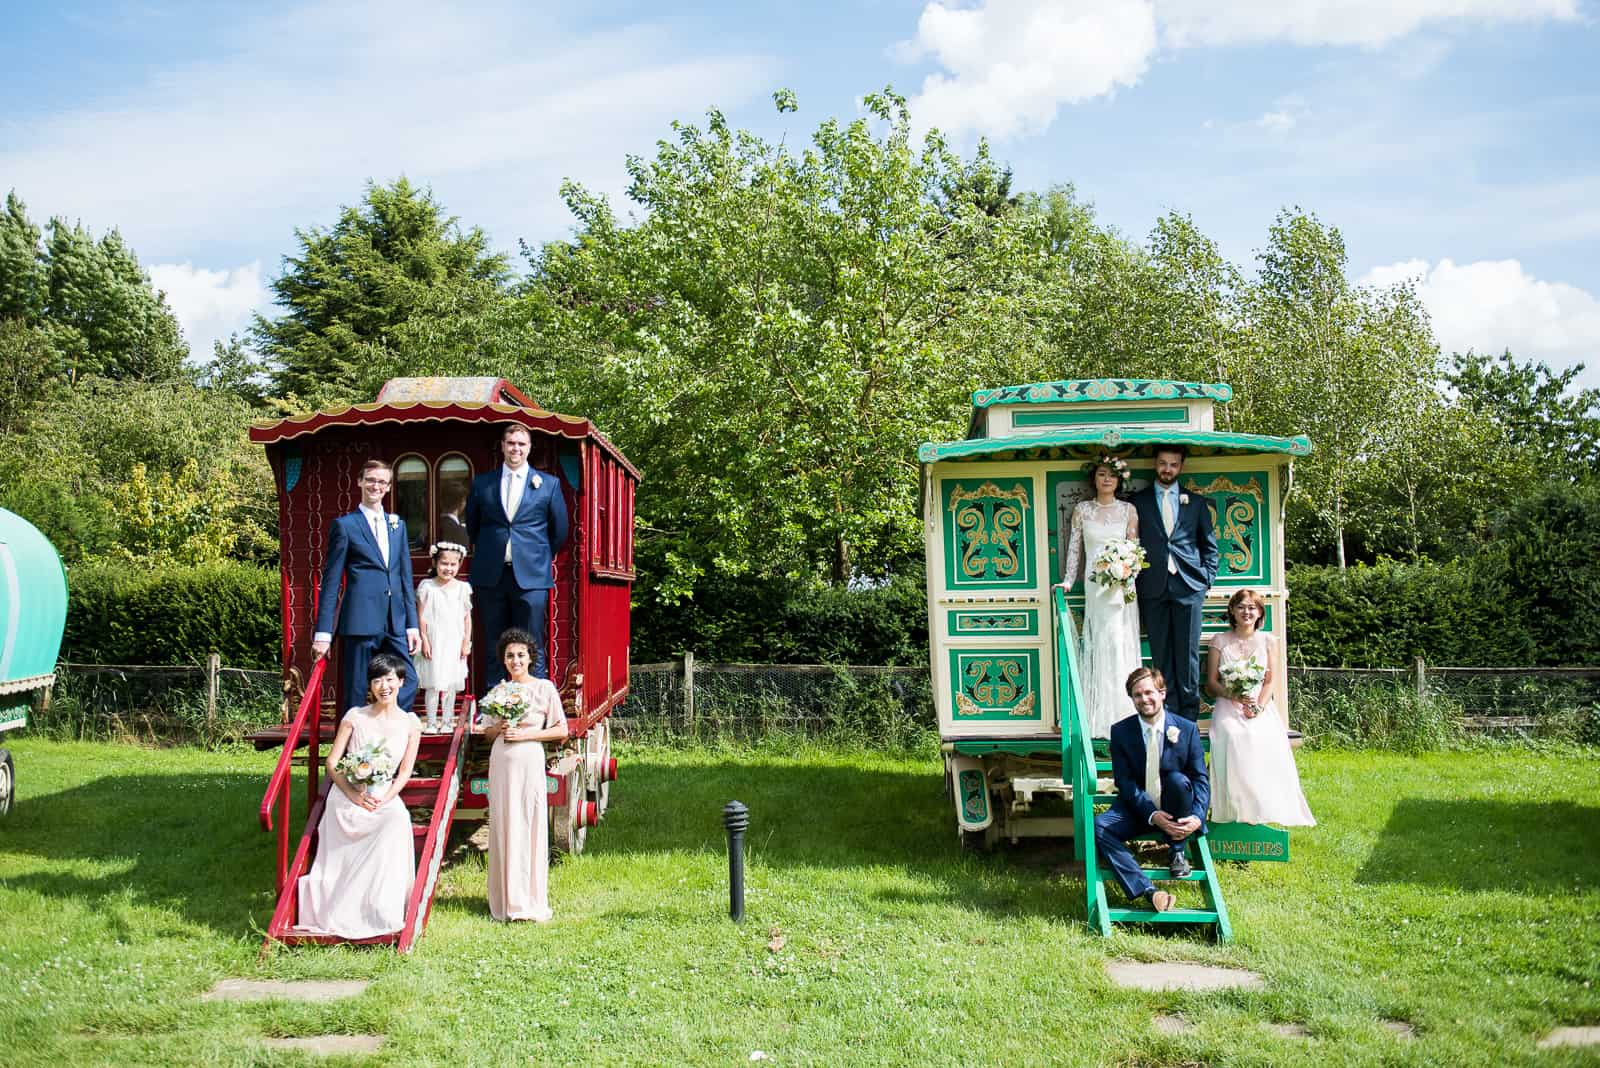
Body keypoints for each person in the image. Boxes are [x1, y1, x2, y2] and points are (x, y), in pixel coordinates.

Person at [296, 654, 423, 938]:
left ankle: (381, 907)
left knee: (396, 819)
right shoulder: (355, 717)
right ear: (370, 686)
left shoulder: (410, 723)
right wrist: (353, 794)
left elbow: (404, 771)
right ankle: (340, 905)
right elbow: (332, 763)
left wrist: (386, 798)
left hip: (383, 795)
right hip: (348, 795)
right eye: (377, 680)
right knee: (350, 816)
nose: (383, 686)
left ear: (401, 682)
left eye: (389, 679)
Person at [1094, 667, 1211, 913]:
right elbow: (1125, 782)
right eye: (1137, 695)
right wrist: (1152, 814)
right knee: (1099, 826)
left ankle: (1177, 851)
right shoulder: (1121, 731)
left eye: (1149, 692)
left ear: (1162, 693)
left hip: (1176, 809)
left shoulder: (1187, 729)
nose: (1144, 699)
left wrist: (1198, 817)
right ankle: (1149, 891)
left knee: (1178, 780)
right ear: (1132, 698)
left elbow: (1200, 778)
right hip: (1138, 809)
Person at [311, 460, 421, 711]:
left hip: (395, 621)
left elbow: (405, 577)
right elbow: (331, 583)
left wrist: (412, 624)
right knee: (356, 690)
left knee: (409, 681)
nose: (376, 486)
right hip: (360, 620)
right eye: (371, 480)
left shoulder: (398, 525)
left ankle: (388, 727)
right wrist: (323, 634)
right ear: (360, 481)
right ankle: (353, 736)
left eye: (382, 482)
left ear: (389, 487)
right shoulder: (345, 525)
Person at [466, 424, 569, 685]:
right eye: (511, 443)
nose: (516, 448)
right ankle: (494, 700)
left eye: (521, 444)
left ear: (529, 448)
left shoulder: (548, 485)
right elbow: (473, 527)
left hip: (531, 577)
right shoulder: (482, 483)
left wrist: (536, 557)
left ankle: (534, 701)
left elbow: (559, 531)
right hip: (491, 575)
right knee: (494, 642)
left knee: (531, 642)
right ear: (502, 446)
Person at [1204, 589, 1316, 826]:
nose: (1246, 612)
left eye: (1252, 608)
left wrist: (1258, 707)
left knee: (1260, 736)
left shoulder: (1268, 641)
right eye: (1241, 607)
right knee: (1232, 735)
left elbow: (1270, 681)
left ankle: (1259, 807)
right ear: (1232, 611)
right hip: (1228, 703)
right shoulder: (1219, 641)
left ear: (1260, 613)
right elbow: (1211, 684)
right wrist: (1233, 695)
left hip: (1259, 703)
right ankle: (1234, 806)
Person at [485, 628, 569, 923]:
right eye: (510, 655)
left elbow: (561, 730)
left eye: (521, 655)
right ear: (503, 660)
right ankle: (505, 900)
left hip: (529, 760)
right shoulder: (499, 691)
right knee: (504, 822)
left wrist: (527, 734)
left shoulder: (544, 688)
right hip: (502, 762)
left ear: (530, 658)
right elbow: (487, 732)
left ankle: (529, 899)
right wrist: (500, 727)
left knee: (528, 820)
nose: (515, 660)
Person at [1131, 445, 1218, 721]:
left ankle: (1189, 719)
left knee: (1188, 655)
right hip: (1152, 588)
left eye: (1173, 464)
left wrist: (1206, 580)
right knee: (1161, 655)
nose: (1167, 469)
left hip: (1189, 587)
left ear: (1181, 467)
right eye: (1163, 463)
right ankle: (1166, 716)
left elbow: (1209, 547)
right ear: (1155, 464)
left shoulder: (1196, 503)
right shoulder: (1138, 502)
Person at [1057, 455, 1142, 737]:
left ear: (1119, 480)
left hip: (1120, 588)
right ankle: (1097, 715)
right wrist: (1068, 580)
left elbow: (1135, 550)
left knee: (1118, 643)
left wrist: (1127, 575)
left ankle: (1124, 712)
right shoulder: (1082, 510)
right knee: (1100, 642)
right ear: (1094, 478)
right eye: (1102, 474)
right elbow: (1074, 549)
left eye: (1112, 475)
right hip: (1095, 587)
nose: (1107, 479)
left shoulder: (1128, 510)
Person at [416, 541, 473, 733]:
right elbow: (421, 616)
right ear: (435, 563)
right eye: (444, 563)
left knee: (450, 682)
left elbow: (467, 618)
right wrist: (424, 640)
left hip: (453, 640)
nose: (448, 568)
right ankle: (432, 722)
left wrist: (466, 642)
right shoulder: (427, 586)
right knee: (433, 682)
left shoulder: (462, 588)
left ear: (459, 565)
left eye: (453, 564)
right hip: (434, 639)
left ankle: (447, 721)